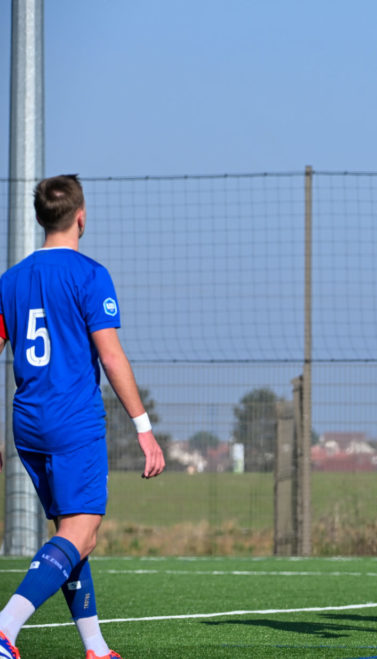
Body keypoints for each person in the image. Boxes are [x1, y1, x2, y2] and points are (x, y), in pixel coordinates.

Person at [0, 175, 166, 659]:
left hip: (28, 421)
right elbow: (111, 357)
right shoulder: (91, 275)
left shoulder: (10, 280)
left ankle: (95, 647)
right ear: (81, 216)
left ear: (39, 219)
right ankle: (6, 626)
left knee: (74, 534)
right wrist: (144, 429)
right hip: (73, 420)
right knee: (81, 530)